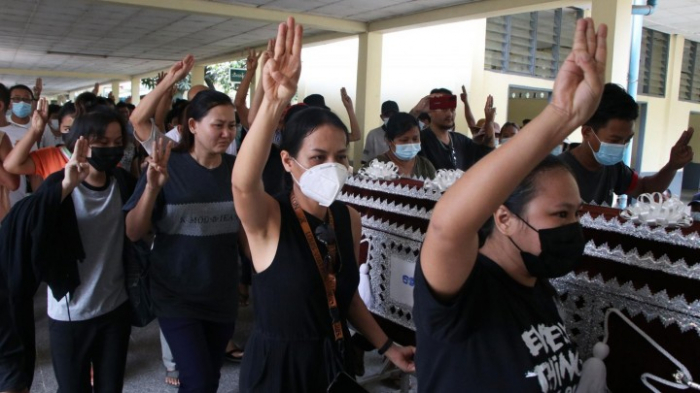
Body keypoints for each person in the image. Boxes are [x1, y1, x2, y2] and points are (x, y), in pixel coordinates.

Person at [414, 17, 607, 392]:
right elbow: (447, 226)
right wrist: (561, 116)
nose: (572, 227)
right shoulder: (465, 290)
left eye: (576, 214)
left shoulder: (538, 287)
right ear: (503, 216)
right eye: (560, 214)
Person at [232, 17, 415, 392]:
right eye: (317, 158)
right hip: (280, 369)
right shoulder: (269, 218)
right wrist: (274, 102)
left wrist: (387, 346)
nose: (332, 167)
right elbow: (242, 183)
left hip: (334, 360)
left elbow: (342, 295)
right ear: (288, 162)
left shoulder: (346, 217)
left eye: (340, 156)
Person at [125, 55, 242, 393]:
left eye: (231, 125)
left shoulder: (237, 169)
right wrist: (151, 187)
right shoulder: (167, 163)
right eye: (217, 125)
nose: (226, 132)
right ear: (192, 125)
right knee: (199, 379)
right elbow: (133, 231)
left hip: (221, 292)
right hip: (176, 294)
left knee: (209, 377)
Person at [0, 105, 134, 393]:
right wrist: (66, 185)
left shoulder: (122, 182)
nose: (111, 149)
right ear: (80, 143)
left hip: (115, 308)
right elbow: (31, 231)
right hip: (71, 313)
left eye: (116, 142)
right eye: (101, 143)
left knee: (111, 387)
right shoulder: (57, 185)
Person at [559, 83, 695, 205]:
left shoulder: (614, 168)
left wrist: (672, 166)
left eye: (627, 139)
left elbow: (645, 190)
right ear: (587, 132)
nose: (622, 146)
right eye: (615, 140)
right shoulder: (557, 171)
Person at [417, 89, 494, 171]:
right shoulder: (419, 141)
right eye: (444, 109)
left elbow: (487, 151)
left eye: (452, 109)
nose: (450, 114)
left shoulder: (462, 141)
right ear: (430, 111)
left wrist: (489, 122)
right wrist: (416, 111)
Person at [4, 101, 76, 181]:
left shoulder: (91, 154)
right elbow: (11, 165)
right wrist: (35, 130)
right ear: (60, 126)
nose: (78, 130)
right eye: (70, 127)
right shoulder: (51, 156)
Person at [366, 112, 436, 179]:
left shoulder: (425, 166)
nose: (411, 144)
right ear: (389, 141)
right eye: (404, 140)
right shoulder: (375, 167)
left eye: (415, 139)